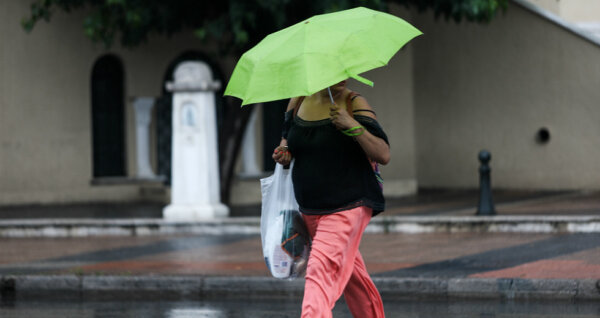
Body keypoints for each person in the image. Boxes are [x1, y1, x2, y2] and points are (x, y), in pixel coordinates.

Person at [273, 79, 389, 318]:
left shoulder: (353, 103)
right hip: (310, 210)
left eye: (343, 70)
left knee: (319, 272)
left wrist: (351, 124)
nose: (340, 77)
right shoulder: (297, 102)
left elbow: (383, 153)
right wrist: (284, 153)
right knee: (354, 279)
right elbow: (288, 142)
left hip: (348, 206)